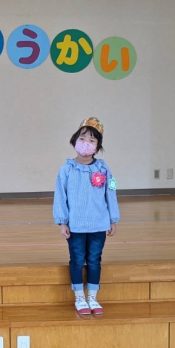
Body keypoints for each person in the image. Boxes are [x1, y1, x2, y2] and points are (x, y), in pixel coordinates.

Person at [53, 117, 120, 315]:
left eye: (92, 140)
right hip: (76, 225)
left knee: (94, 260)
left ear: (97, 146)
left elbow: (112, 190)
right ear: (75, 140)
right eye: (82, 139)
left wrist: (113, 219)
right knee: (76, 259)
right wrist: (62, 221)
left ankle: (92, 297)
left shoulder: (103, 168)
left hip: (99, 224)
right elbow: (60, 195)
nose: (86, 144)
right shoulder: (66, 169)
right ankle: (79, 297)